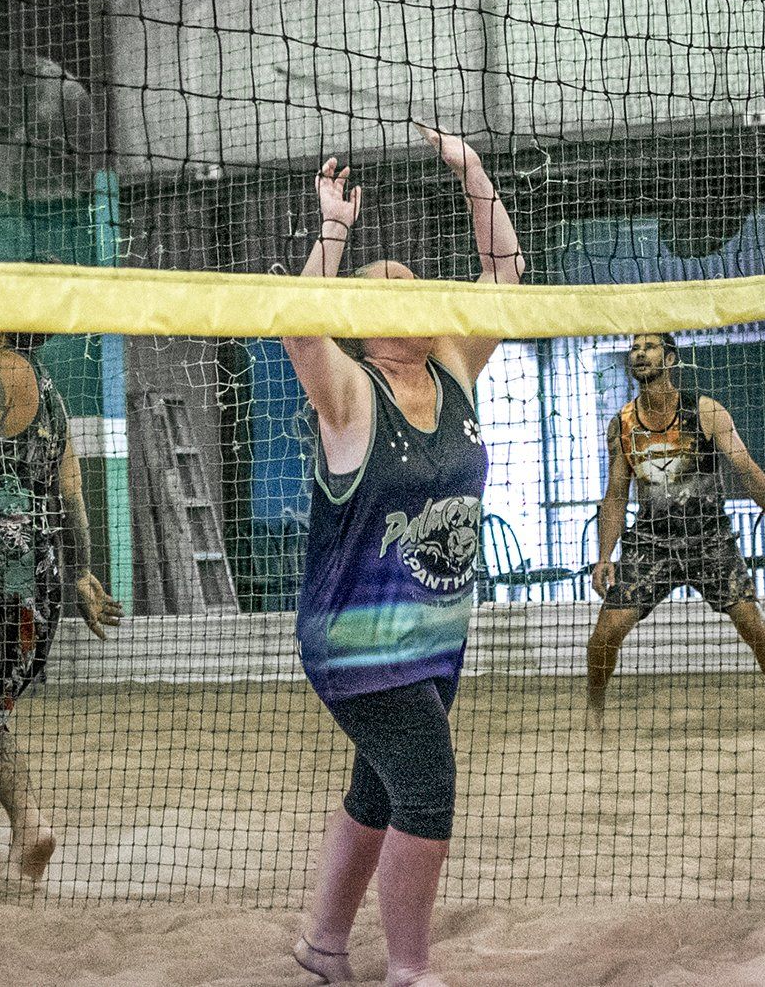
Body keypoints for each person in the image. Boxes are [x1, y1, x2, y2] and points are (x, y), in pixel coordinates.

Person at [285, 127, 524, 987]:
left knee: (379, 791)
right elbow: (299, 328)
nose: (414, 290)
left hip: (431, 641)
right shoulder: (351, 394)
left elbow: (506, 277)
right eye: (391, 287)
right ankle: (412, 971)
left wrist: (469, 171)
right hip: (356, 642)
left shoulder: (454, 366)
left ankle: (323, 943)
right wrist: (334, 230)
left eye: (417, 282)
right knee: (428, 788)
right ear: (363, 320)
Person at [0, 330, 123, 885]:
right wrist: (80, 573)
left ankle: (29, 825)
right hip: (34, 582)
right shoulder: (49, 390)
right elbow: (70, 490)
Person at [585, 332, 765, 731]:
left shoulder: (705, 411)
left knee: (752, 622)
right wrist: (605, 557)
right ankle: (594, 712)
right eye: (635, 348)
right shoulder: (621, 424)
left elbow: (748, 471)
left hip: (709, 538)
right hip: (651, 542)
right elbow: (616, 495)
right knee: (607, 631)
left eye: (650, 347)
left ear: (670, 359)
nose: (640, 353)